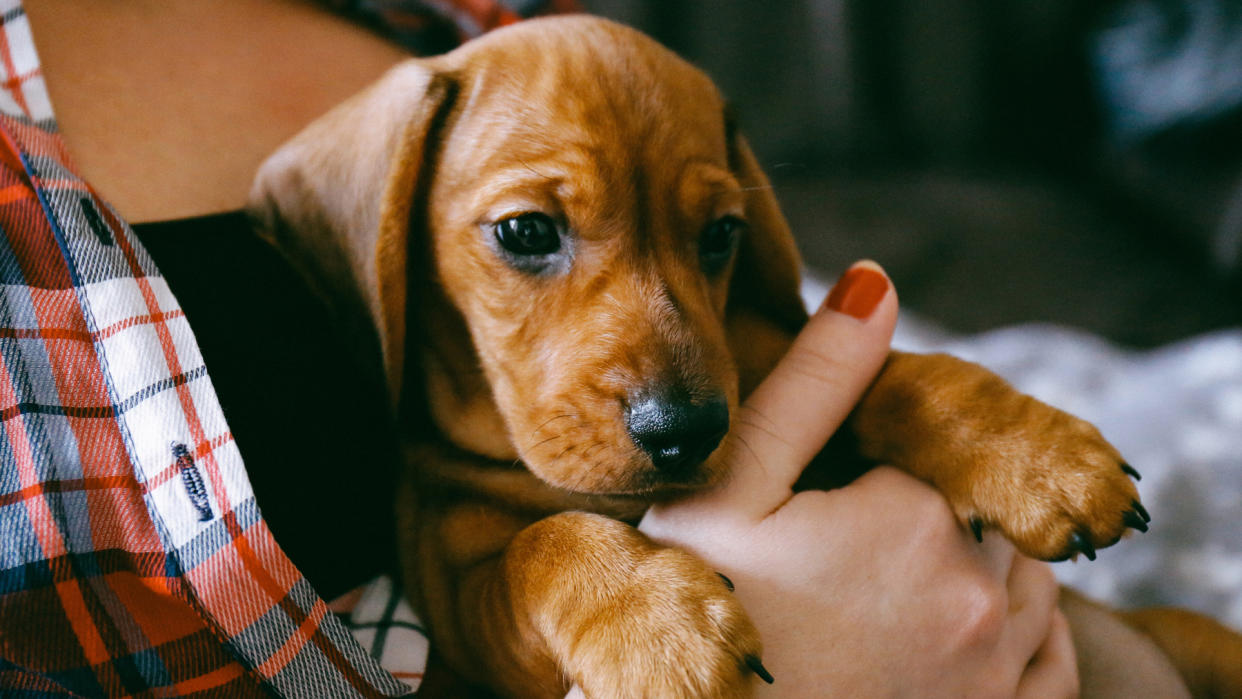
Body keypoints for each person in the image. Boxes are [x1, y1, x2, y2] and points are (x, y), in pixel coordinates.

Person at [0, 1, 1175, 696]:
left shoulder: (456, 27)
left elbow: (801, 350)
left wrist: (948, 411)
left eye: (710, 236)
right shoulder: (401, 172)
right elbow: (480, 597)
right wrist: (581, 581)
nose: (670, 376)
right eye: (530, 236)